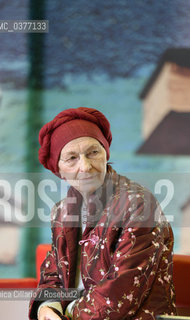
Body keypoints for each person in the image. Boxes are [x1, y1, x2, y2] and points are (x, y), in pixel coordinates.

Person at [29, 107, 177, 320]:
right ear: (59, 170)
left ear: (105, 153)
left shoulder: (139, 205)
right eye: (71, 158)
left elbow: (120, 292)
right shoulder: (62, 211)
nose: (86, 166)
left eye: (93, 153)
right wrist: (47, 308)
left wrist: (66, 313)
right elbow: (53, 274)